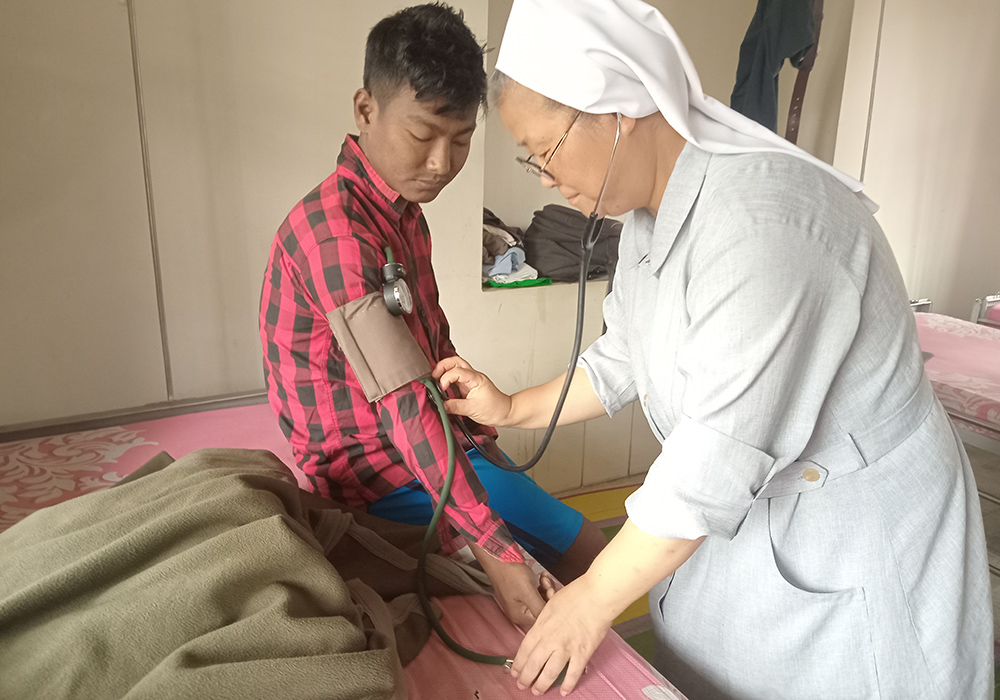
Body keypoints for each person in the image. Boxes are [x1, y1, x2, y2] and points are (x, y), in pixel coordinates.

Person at [432, 0, 993, 697]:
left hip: (852, 542)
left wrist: (588, 601)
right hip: (750, 517)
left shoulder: (765, 223)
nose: (543, 177)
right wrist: (513, 407)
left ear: (619, 108)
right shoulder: (645, 215)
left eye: (544, 151)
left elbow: (713, 463)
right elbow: (625, 356)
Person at [258, 3, 606, 632]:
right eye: (424, 136)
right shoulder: (336, 235)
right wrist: (494, 549)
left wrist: (479, 435)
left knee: (543, 525)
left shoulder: (398, 212)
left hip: (414, 439)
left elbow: (431, 343)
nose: (443, 163)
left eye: (463, 139)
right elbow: (403, 401)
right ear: (366, 110)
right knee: (583, 544)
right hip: (370, 474)